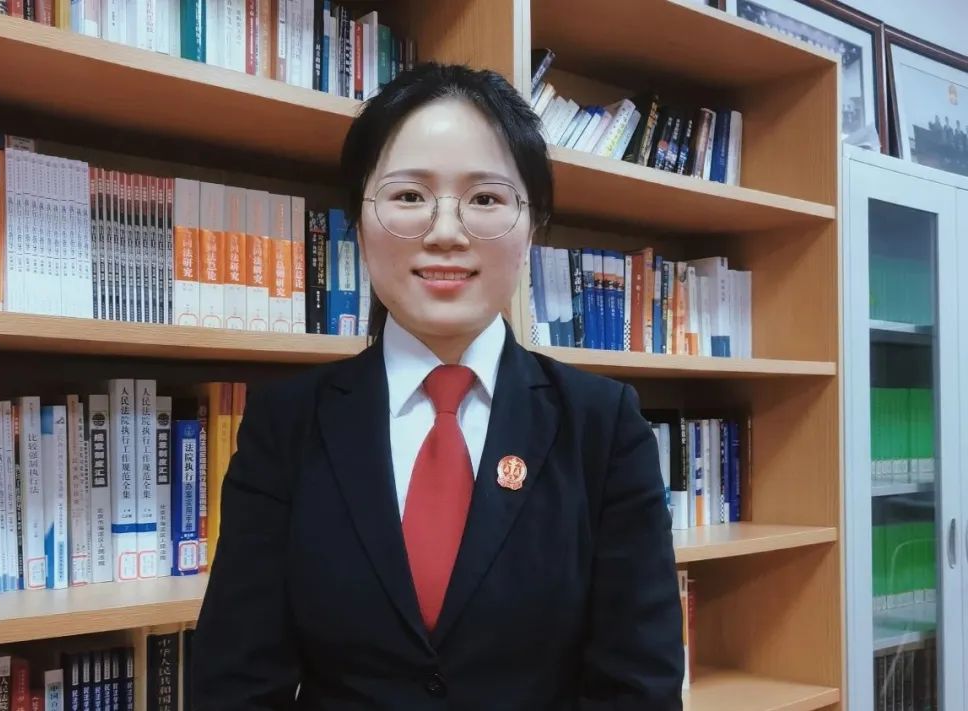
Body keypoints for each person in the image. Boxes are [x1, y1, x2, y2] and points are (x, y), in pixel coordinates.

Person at [191, 62, 684, 710]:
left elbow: (639, 687)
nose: (446, 232)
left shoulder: (604, 424)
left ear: (531, 226)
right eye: (408, 196)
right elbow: (235, 683)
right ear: (359, 221)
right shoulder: (286, 423)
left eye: (485, 199)